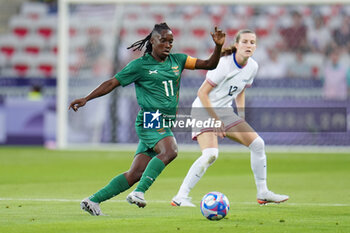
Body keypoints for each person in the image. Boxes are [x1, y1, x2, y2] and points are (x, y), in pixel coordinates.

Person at [68, 22, 226, 216]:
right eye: (163, 41)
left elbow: (210, 64)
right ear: (152, 41)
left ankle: (92, 201)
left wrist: (218, 47)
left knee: (135, 173)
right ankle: (139, 192)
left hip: (165, 121)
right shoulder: (140, 65)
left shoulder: (179, 60)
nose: (168, 45)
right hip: (150, 119)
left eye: (171, 41)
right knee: (170, 150)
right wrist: (86, 98)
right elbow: (112, 83)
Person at [171, 29, 289, 207]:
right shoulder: (223, 64)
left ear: (256, 47)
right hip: (203, 109)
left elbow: (241, 90)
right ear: (236, 45)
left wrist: (240, 116)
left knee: (258, 144)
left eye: (252, 42)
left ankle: (263, 192)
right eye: (245, 42)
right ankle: (180, 196)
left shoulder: (253, 66)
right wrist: (216, 120)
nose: (249, 45)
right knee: (211, 154)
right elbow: (202, 93)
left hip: (224, 111)